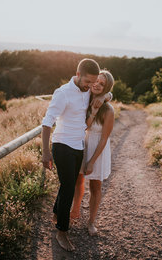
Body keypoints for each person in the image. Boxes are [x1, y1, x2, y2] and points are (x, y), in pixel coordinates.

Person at [41, 58, 111, 252]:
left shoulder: (87, 89)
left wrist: (106, 97)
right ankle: (62, 231)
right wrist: (46, 152)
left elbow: (107, 92)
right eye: (88, 82)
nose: (91, 86)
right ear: (78, 75)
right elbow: (47, 122)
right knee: (69, 188)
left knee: (68, 184)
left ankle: (56, 213)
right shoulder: (63, 93)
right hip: (62, 145)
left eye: (94, 82)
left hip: (78, 146)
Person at [70, 70, 115, 236]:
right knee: (77, 181)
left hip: (97, 150)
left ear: (106, 88)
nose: (97, 84)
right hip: (81, 145)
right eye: (97, 81)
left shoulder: (108, 111)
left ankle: (91, 222)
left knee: (95, 186)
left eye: (102, 84)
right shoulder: (84, 98)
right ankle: (75, 211)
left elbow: (104, 139)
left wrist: (92, 162)